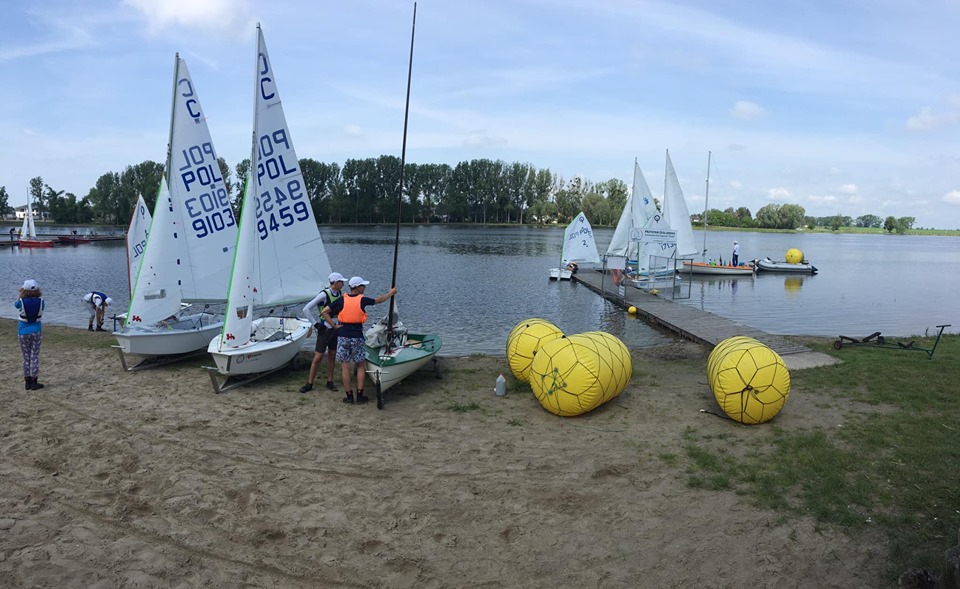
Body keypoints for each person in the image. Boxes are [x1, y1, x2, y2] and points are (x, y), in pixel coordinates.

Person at [320, 276, 397, 405]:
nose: (364, 287)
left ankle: (349, 396)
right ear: (357, 287)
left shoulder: (341, 300)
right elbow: (379, 300)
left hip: (343, 336)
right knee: (360, 365)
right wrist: (391, 293)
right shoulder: (362, 300)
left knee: (345, 365)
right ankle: (360, 396)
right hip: (356, 337)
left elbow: (324, 311)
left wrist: (334, 325)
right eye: (363, 285)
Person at [297, 272, 346, 394]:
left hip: (336, 329)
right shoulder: (324, 294)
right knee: (318, 357)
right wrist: (315, 324)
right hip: (324, 330)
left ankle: (330, 381)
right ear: (335, 283)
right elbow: (306, 309)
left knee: (332, 355)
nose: (343, 284)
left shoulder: (340, 294)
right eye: (341, 282)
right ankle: (309, 383)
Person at [15, 279, 45, 390]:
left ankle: (27, 382)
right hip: (36, 331)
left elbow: (16, 305)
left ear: (24, 290)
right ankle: (34, 381)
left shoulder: (21, 301)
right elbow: (41, 309)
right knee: (34, 356)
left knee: (25, 356)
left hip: (23, 331)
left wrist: (20, 294)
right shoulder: (41, 301)